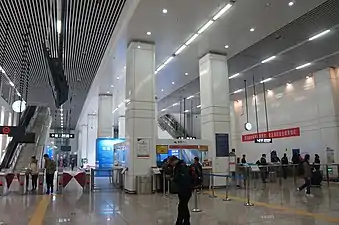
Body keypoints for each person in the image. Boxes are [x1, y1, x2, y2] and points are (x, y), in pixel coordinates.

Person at [168, 156, 192, 225]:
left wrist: (174, 179)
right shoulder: (179, 166)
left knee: (183, 206)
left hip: (185, 189)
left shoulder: (181, 167)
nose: (170, 164)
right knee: (182, 206)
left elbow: (183, 178)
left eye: (170, 162)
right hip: (183, 189)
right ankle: (180, 221)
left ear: (174, 161)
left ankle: (185, 221)